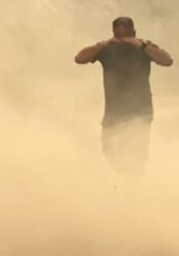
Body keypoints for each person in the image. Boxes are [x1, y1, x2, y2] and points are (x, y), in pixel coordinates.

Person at [74, 16, 173, 176]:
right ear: (113, 32)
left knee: (136, 155)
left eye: (126, 29)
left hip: (140, 111)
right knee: (109, 150)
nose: (122, 33)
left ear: (133, 31)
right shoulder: (107, 50)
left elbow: (167, 60)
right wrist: (105, 43)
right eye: (118, 29)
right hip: (113, 113)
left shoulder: (144, 48)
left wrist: (141, 45)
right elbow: (79, 58)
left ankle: (132, 189)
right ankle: (125, 180)